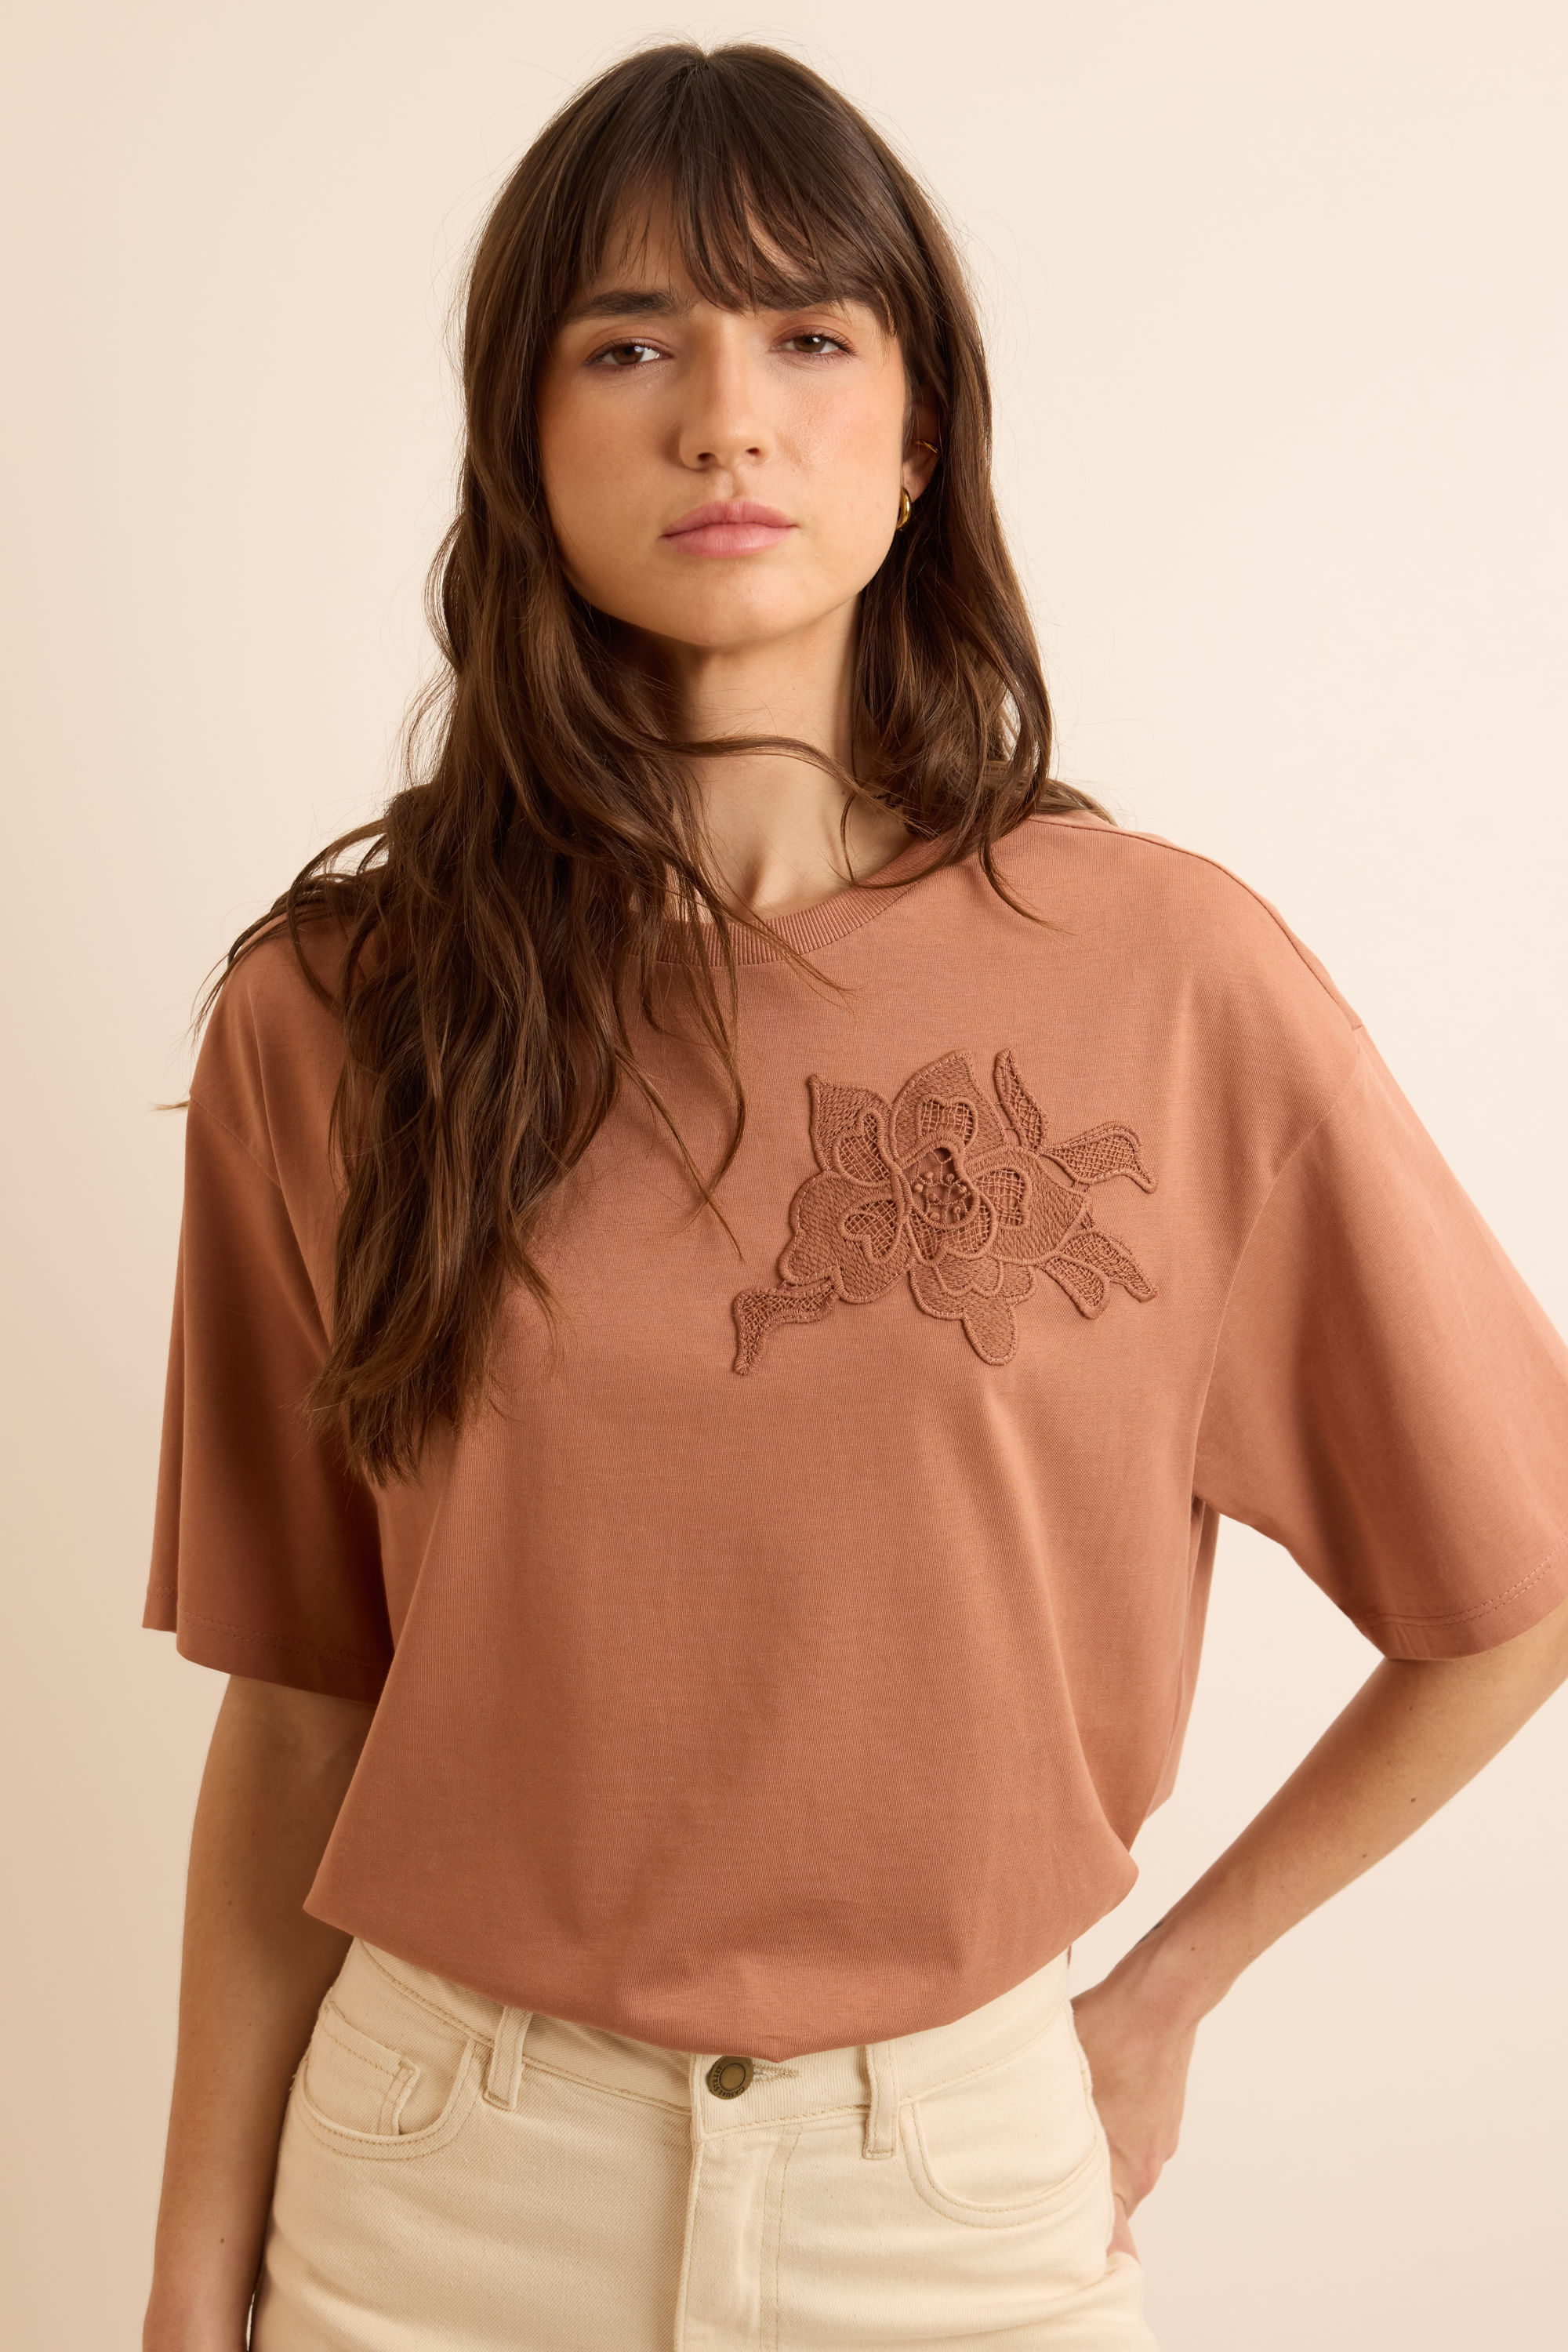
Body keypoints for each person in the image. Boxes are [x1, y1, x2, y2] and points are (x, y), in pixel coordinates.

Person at [139, 40, 1568, 2352]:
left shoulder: (1168, 979)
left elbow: (1517, 1573)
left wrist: (1168, 1997)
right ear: (525, 444)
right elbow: (302, 1711)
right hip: (439, 2201)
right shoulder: (331, 1015)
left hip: (959, 2206)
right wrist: (188, 2283)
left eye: (809, 337)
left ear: (916, 448)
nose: (727, 419)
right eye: (631, 347)